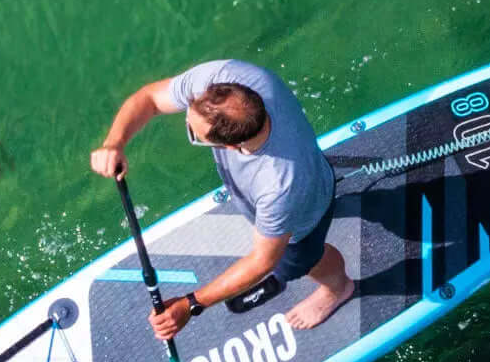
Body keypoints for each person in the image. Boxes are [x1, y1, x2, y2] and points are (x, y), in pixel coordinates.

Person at [90, 60, 354, 339]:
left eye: (193, 133)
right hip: (296, 177)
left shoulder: (279, 187)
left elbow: (262, 261)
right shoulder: (225, 79)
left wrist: (191, 304)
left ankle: (338, 289)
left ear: (230, 146)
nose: (187, 124)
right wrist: (114, 143)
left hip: (303, 216)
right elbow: (150, 99)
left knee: (303, 259)